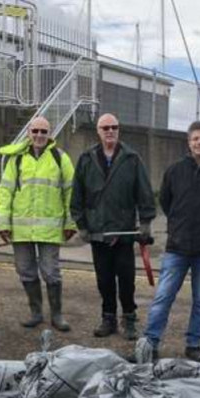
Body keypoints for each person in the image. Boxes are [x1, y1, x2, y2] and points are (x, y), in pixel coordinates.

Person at [143, 120, 200, 361]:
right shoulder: (174, 170)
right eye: (195, 138)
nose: (199, 142)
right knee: (163, 296)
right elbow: (165, 201)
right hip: (177, 248)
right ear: (189, 142)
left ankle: (193, 345)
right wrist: (178, 225)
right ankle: (150, 343)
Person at [71, 113, 156, 340]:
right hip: (99, 232)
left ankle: (129, 318)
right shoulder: (86, 159)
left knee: (126, 279)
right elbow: (77, 195)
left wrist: (146, 222)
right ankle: (108, 318)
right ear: (98, 131)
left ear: (119, 129)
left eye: (114, 127)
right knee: (104, 279)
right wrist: (82, 225)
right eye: (105, 127)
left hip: (124, 232)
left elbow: (144, 192)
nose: (110, 131)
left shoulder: (131, 158)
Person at [0, 116, 77, 331]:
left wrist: (71, 222)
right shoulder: (17, 160)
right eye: (35, 131)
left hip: (50, 229)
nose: (39, 135)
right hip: (21, 229)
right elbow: (5, 191)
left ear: (50, 134)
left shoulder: (61, 158)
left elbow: (71, 192)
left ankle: (57, 315)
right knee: (26, 271)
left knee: (51, 272)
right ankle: (36, 312)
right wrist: (4, 222)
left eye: (44, 131)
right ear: (29, 134)